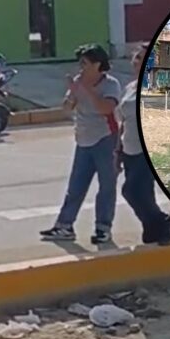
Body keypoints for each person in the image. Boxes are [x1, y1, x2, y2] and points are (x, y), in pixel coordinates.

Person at [40, 44, 122, 244]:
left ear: (97, 65)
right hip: (83, 140)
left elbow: (106, 109)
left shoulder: (111, 84)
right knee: (75, 186)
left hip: (105, 139)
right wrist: (71, 95)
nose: (81, 67)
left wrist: (88, 90)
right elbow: (67, 108)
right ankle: (64, 226)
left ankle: (103, 228)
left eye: (84, 63)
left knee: (106, 187)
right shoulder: (78, 82)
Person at [117, 45, 170, 245]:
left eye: (142, 58)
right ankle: (153, 230)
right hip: (129, 149)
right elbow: (123, 121)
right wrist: (117, 151)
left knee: (131, 190)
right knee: (144, 194)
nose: (136, 61)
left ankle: (163, 224)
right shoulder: (130, 87)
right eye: (135, 57)